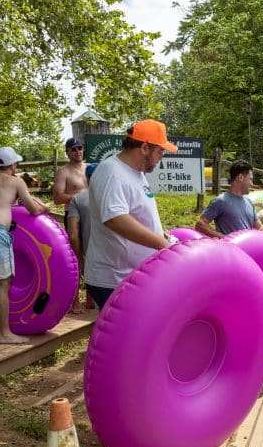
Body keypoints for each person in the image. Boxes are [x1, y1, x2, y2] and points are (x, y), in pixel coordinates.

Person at [84, 119, 178, 309]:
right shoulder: (112, 172)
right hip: (114, 279)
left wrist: (159, 234)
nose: (162, 157)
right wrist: (161, 244)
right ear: (144, 148)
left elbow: (135, 214)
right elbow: (115, 219)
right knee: (126, 338)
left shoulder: (136, 172)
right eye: (160, 151)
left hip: (130, 276)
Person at [0, 147, 51, 344]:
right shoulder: (15, 181)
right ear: (13, 165)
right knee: (1, 284)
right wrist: (45, 208)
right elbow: (33, 209)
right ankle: (5, 333)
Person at [195, 159, 263, 237]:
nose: (252, 184)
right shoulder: (221, 201)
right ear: (241, 177)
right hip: (230, 248)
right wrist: (223, 238)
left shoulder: (249, 202)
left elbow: (259, 227)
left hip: (247, 248)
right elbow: (200, 224)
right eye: (250, 179)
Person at [67, 162, 98, 313]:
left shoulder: (77, 200)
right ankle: (91, 302)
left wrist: (79, 256)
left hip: (86, 248)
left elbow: (73, 235)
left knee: (77, 269)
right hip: (108, 251)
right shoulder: (116, 197)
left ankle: (76, 304)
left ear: (86, 178)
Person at [53, 138, 88, 228]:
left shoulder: (91, 167)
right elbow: (57, 199)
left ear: (83, 149)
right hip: (74, 215)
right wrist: (83, 197)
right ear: (67, 152)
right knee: (75, 241)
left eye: (79, 148)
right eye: (73, 149)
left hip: (92, 213)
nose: (77, 151)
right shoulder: (62, 172)